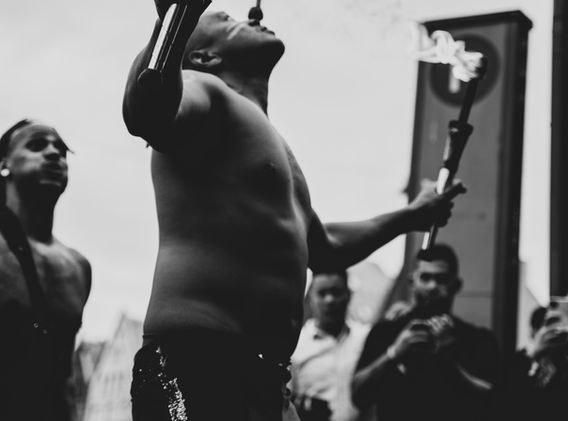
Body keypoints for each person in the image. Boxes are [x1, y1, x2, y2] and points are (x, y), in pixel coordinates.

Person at [122, 2, 466, 420]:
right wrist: (177, 15)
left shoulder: (272, 142)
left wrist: (412, 216)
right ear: (205, 57)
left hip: (267, 380)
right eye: (228, 20)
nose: (253, 15)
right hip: (195, 362)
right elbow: (146, 113)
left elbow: (325, 248)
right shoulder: (204, 90)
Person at [0, 119, 91, 421]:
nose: (53, 154)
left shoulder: (78, 267)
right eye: (37, 145)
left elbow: (65, 378)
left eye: (61, 151)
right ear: (4, 164)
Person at [351, 244, 499, 421]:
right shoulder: (385, 332)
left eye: (442, 279)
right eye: (425, 277)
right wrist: (393, 353)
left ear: (456, 285)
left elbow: (492, 402)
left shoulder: (477, 339)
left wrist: (447, 359)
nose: (432, 286)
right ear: (412, 282)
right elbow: (358, 396)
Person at [290, 270, 370, 421]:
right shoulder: (295, 346)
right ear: (310, 298)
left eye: (336, 292)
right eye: (322, 293)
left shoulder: (366, 337)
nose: (330, 300)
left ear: (348, 295)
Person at [504, 299, 568, 418]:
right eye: (548, 325)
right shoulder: (518, 363)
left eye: (560, 330)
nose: (555, 334)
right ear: (533, 332)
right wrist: (535, 354)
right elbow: (507, 403)